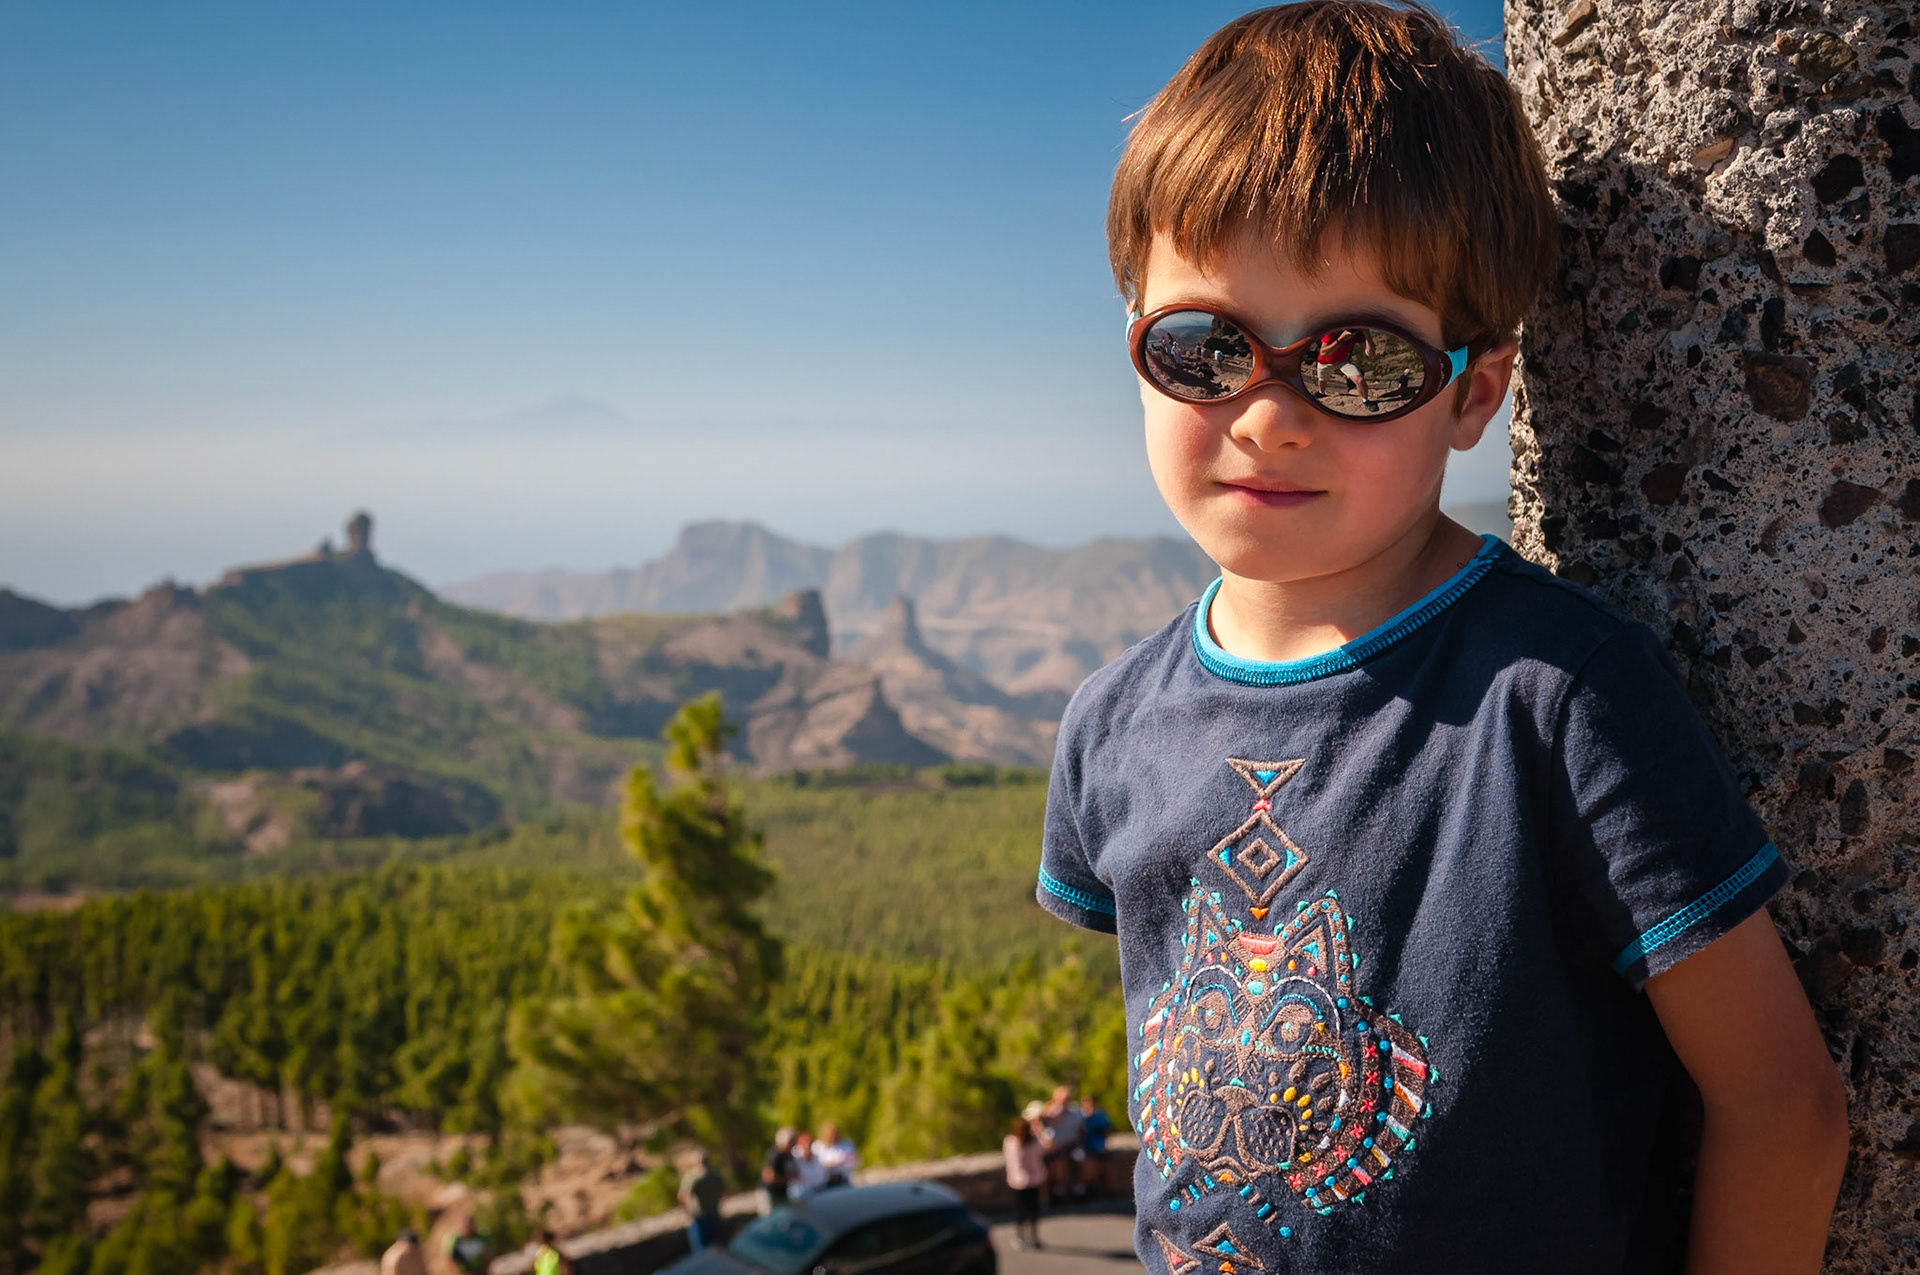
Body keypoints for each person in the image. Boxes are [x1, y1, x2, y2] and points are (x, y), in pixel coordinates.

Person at [1036, 5, 1848, 1274]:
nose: (1269, 417)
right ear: (1137, 345)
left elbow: (1783, 1108)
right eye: (1207, 348)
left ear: (1476, 392)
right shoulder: (1109, 727)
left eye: (1358, 364)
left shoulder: (1561, 703)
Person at [1002, 1114, 1048, 1252]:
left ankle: (1020, 1237)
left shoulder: (1010, 1142)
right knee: (1033, 1209)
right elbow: (1047, 1148)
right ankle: (1034, 1238)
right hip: (1033, 1181)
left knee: (1020, 1211)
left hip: (1018, 1181)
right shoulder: (1034, 1143)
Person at [679, 1150, 728, 1253]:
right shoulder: (715, 1175)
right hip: (714, 1215)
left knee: (701, 1252)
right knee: (715, 1248)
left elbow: (683, 1196)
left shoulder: (692, 1177)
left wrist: (686, 1214)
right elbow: (723, 1193)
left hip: (698, 1218)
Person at [1077, 1095, 1112, 1197]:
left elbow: (1105, 1129)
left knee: (1104, 1168)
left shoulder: (1099, 1115)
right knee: (1089, 1169)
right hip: (1087, 1147)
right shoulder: (1081, 1117)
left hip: (1098, 1146)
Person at [813, 1121, 859, 1188]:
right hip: (824, 1182)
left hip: (843, 1179)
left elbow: (853, 1161)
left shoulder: (846, 1146)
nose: (833, 1137)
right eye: (830, 1135)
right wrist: (829, 1165)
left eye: (834, 1135)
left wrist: (842, 1163)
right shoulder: (817, 1147)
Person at [759, 1127, 795, 1212]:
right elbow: (769, 1177)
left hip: (782, 1193)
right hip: (770, 1194)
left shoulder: (788, 1155)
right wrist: (787, 1179)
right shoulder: (774, 1155)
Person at [787, 1130, 829, 1199]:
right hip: (800, 1195)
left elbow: (821, 1177)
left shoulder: (817, 1157)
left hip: (818, 1191)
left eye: (809, 1142)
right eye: (804, 1142)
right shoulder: (795, 1158)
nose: (807, 1145)